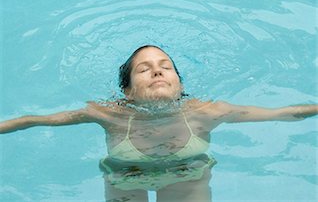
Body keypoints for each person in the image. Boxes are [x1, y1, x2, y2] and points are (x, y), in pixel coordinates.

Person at [0, 45, 317, 202]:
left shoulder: (207, 112)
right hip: (127, 179)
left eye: (166, 67)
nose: (157, 72)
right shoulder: (107, 114)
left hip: (187, 178)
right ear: (127, 90)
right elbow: (35, 120)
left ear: (179, 83)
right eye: (144, 69)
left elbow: (283, 112)